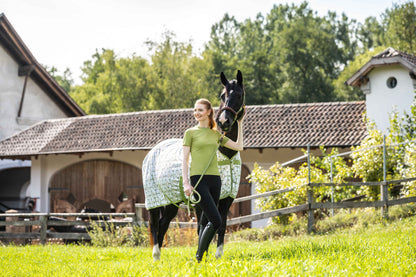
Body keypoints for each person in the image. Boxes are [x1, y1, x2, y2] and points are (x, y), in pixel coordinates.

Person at [182, 98, 244, 262]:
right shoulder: (190, 133)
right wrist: (186, 183)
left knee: (205, 220)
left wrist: (240, 123)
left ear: (209, 112)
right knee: (216, 220)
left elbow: (239, 147)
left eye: (200, 110)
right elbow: (184, 160)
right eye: (195, 110)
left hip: (215, 180)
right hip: (198, 180)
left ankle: (201, 256)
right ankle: (199, 257)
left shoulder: (216, 134)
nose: (197, 113)